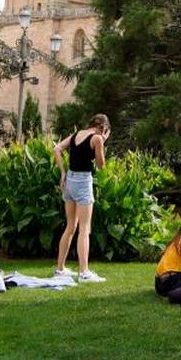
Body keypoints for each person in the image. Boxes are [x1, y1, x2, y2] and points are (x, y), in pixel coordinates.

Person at [54, 114, 111, 283]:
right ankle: (84, 272)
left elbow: (57, 149)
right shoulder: (97, 139)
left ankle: (60, 269)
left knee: (70, 226)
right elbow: (101, 166)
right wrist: (103, 141)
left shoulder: (77, 134)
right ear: (103, 128)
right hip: (83, 182)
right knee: (84, 228)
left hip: (69, 180)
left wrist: (63, 172)